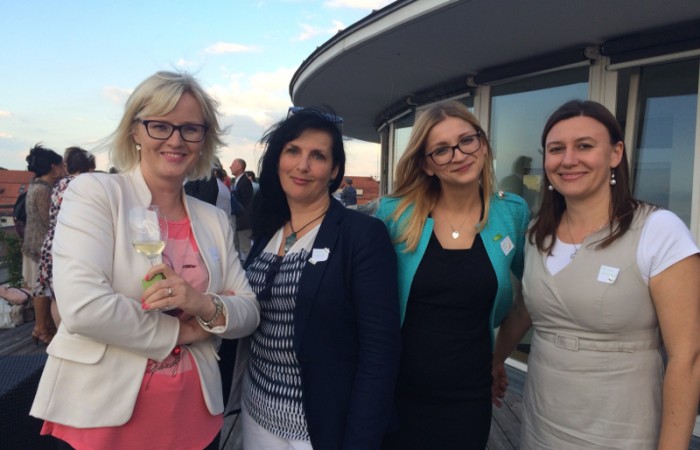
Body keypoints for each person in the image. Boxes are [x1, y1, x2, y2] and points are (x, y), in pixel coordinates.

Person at [30, 71, 260, 450]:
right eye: (160, 125)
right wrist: (186, 332)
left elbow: (248, 311)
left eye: (190, 129)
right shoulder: (96, 194)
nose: (176, 140)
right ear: (135, 131)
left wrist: (202, 304)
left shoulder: (213, 219)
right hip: (100, 418)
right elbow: (84, 308)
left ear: (204, 139)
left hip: (194, 418)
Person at [492, 100, 700, 449]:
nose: (568, 159)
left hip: (622, 428)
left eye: (584, 146)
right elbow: (525, 309)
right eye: (556, 149)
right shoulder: (537, 234)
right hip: (542, 419)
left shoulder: (659, 231)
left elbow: (687, 358)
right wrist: (496, 360)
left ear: (616, 153)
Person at [228, 107, 401, 449]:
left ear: (334, 170)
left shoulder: (361, 235)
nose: (302, 165)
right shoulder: (268, 229)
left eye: (318, 156)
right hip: (257, 412)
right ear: (278, 158)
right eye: (293, 150)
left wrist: (360, 440)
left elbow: (380, 353)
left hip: (318, 427)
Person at [374, 101, 530, 449]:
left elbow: (531, 297)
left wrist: (498, 359)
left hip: (469, 394)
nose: (459, 155)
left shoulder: (512, 213)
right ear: (426, 164)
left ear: (483, 144)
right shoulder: (393, 214)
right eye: (442, 150)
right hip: (396, 390)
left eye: (467, 140)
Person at [34, 147, 95, 330]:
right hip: (74, 244)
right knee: (76, 293)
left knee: (57, 295)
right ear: (90, 167)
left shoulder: (59, 184)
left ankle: (61, 335)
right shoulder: (88, 185)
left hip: (52, 242)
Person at [22, 144, 66, 345]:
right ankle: (40, 328)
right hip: (40, 248)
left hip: (33, 246)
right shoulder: (44, 190)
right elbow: (50, 221)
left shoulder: (35, 185)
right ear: (53, 167)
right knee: (42, 290)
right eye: (61, 165)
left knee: (40, 288)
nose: (64, 168)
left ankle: (44, 327)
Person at [230, 158, 253, 260]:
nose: (230, 167)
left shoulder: (244, 182)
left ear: (239, 167)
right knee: (236, 247)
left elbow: (246, 203)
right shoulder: (238, 181)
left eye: (233, 165)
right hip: (238, 221)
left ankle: (248, 267)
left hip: (243, 222)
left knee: (245, 247)